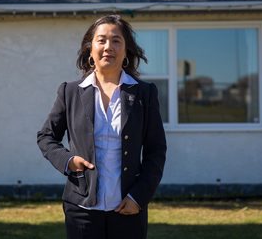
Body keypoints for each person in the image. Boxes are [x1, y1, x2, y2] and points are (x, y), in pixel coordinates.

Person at [37, 14, 167, 239]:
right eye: (101, 40)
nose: (109, 47)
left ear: (126, 51)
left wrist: (139, 197)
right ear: (90, 49)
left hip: (128, 207)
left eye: (116, 40)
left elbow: (156, 151)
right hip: (81, 208)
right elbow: (46, 137)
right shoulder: (69, 92)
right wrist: (68, 161)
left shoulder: (144, 93)